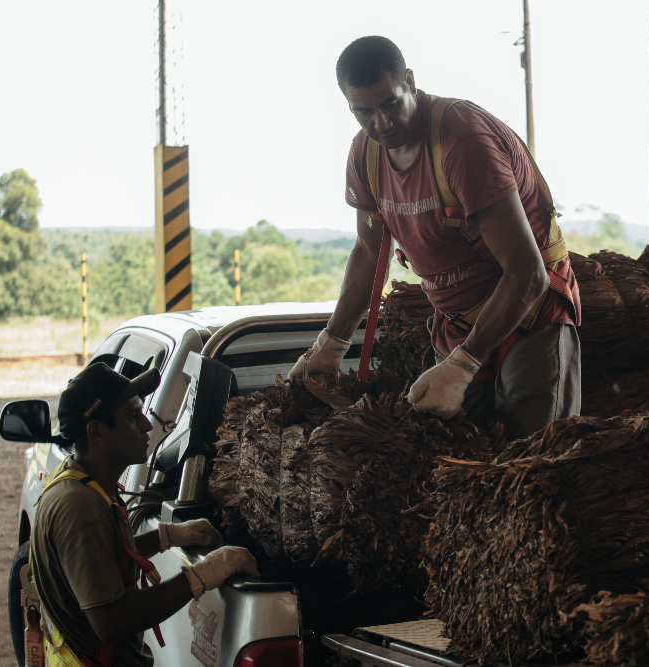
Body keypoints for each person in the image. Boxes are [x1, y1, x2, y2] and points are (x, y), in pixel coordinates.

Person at [289, 36, 581, 441]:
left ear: (409, 81)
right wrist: (332, 343)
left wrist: (462, 366)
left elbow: (528, 274)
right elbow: (369, 250)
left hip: (528, 318)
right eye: (364, 112)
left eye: (390, 103)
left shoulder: (462, 143)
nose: (381, 123)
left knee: (527, 466)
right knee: (461, 462)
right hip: (457, 326)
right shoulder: (366, 156)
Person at [30, 362, 258, 666]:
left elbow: (99, 558)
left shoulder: (81, 481)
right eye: (132, 417)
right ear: (96, 431)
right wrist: (203, 574)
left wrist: (167, 537)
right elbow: (110, 620)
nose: (147, 426)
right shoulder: (79, 507)